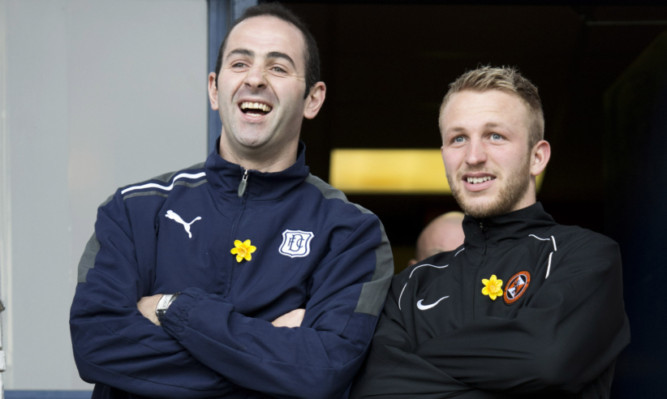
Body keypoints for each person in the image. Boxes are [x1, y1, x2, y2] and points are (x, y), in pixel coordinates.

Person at [69, 3, 393, 398]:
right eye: (240, 64)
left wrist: (175, 309)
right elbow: (96, 345)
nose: (255, 79)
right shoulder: (134, 210)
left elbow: (322, 369)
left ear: (313, 98)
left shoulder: (350, 233)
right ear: (213, 88)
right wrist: (270, 358)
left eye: (278, 67)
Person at [351, 66, 630, 398]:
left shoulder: (584, 255)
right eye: (458, 139)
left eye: (495, 135)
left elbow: (545, 359)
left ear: (537, 157)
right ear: (444, 157)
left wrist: (421, 358)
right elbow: (378, 389)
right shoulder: (407, 288)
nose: (473, 156)